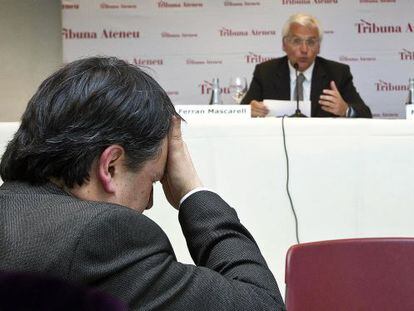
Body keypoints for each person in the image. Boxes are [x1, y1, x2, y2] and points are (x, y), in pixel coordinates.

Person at [0, 57, 285, 310]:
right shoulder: (102, 238)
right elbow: (263, 304)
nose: (149, 202)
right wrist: (191, 192)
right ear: (110, 166)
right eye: (155, 179)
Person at [241, 13, 372, 118]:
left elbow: (365, 113)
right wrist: (249, 111)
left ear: (319, 47)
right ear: (284, 45)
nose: (304, 49)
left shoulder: (337, 73)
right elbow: (241, 111)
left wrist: (346, 110)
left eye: (311, 42)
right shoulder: (265, 72)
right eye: (296, 41)